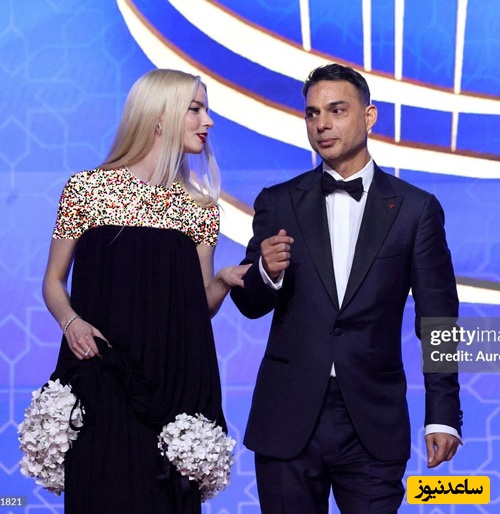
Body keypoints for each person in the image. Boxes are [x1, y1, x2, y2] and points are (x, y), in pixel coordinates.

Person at [230, 63, 462, 513]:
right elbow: (248, 302)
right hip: (287, 419)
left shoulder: (416, 210)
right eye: (312, 113)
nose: (322, 124)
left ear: (369, 116)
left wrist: (443, 415)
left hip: (373, 420)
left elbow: (439, 320)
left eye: (337, 110)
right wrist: (265, 272)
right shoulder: (277, 202)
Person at [42, 68, 249, 513]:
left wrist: (221, 283)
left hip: (174, 387)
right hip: (100, 374)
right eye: (195, 109)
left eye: (206, 110)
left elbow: (196, 308)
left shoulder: (200, 207)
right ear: (159, 116)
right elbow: (53, 281)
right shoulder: (86, 190)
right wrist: (71, 322)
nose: (208, 121)